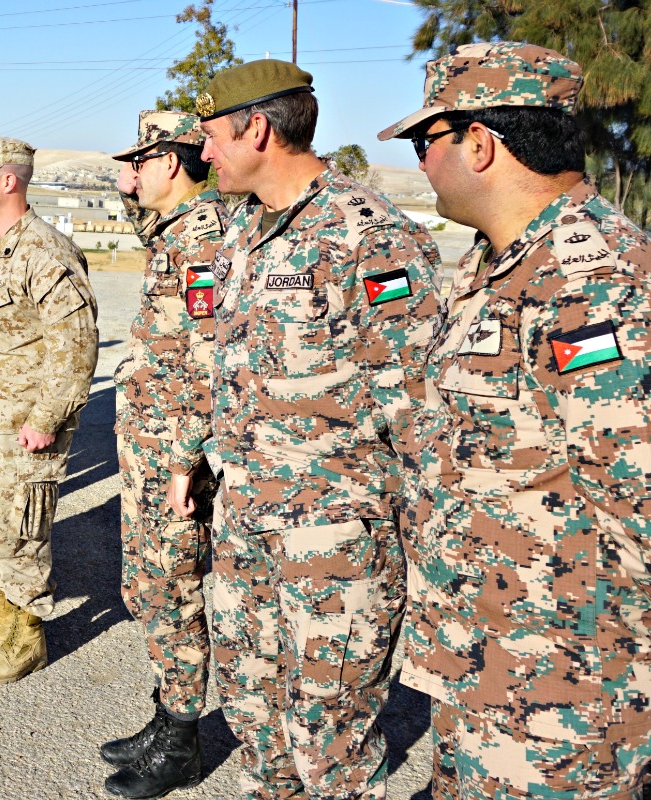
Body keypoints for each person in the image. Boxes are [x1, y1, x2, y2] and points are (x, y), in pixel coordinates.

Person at [378, 42, 651, 797]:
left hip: (565, 704)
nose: (422, 163)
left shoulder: (595, 284)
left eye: (422, 141)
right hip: (486, 669)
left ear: (478, 141)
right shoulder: (500, 261)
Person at [193, 61, 443, 798]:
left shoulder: (369, 236)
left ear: (258, 129)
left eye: (211, 137)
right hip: (245, 516)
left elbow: (419, 409)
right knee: (250, 705)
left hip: (334, 537)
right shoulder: (244, 228)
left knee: (329, 732)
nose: (202, 154)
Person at [100, 111, 229, 799]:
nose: (133, 176)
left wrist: (185, 459)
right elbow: (142, 215)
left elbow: (209, 358)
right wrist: (129, 188)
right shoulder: (176, 229)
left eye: (141, 163)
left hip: (174, 457)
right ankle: (165, 714)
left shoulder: (203, 237)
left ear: (170, 164)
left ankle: (182, 740)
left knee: (172, 592)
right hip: (149, 447)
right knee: (146, 588)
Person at [0, 137, 98, 684]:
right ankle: (4, 615)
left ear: (8, 181)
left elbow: (76, 344)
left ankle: (29, 633)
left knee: (22, 529)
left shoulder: (46, 251)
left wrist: (46, 419)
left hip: (24, 429)